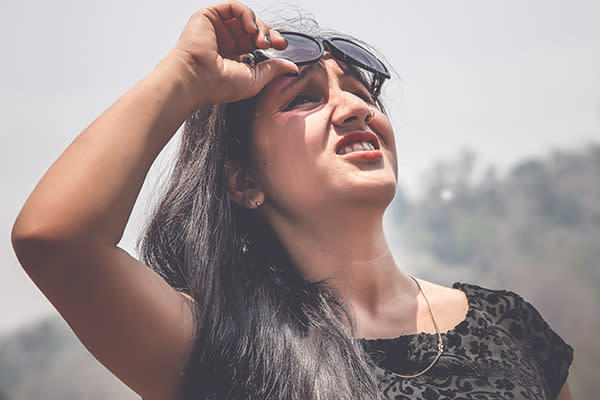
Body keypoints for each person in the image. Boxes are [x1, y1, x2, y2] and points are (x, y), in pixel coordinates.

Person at [11, 2, 573, 399]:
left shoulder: (512, 327)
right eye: (303, 99)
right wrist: (182, 77)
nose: (354, 109)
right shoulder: (212, 345)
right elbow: (56, 241)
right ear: (242, 180)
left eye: (359, 91)